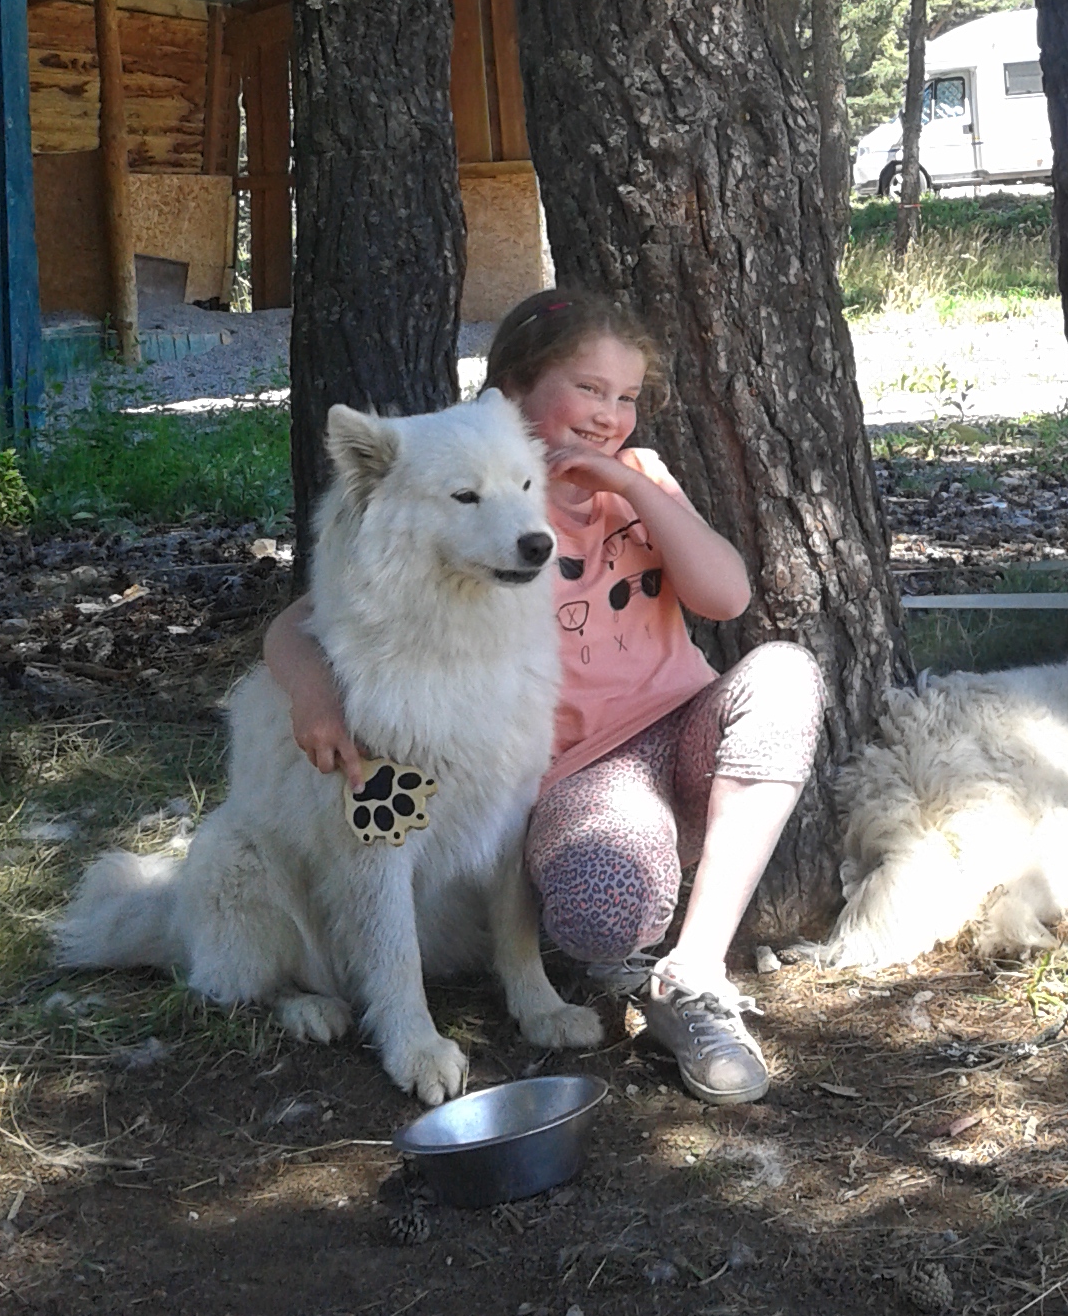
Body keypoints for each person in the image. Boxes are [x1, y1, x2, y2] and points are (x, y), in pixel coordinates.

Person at [263, 288, 826, 1105]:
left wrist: (626, 486)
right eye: (589, 389)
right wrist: (313, 692)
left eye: (626, 396)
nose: (609, 413)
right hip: (590, 779)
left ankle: (695, 969)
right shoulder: (440, 490)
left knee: (785, 673)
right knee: (598, 914)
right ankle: (630, 884)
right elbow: (315, 619)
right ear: (516, 393)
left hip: (685, 730)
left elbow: (728, 597)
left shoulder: (634, 480)